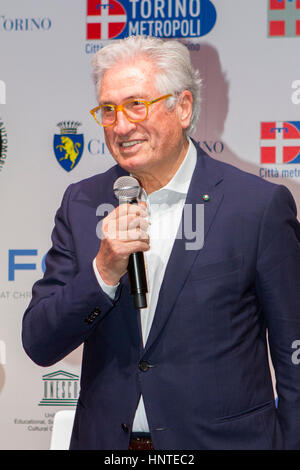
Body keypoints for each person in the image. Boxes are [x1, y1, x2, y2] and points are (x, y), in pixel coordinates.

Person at [22, 35, 300, 450]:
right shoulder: (81, 202)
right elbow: (40, 342)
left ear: (183, 107)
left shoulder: (256, 207)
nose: (120, 125)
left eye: (137, 105)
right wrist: (102, 273)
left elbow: (293, 354)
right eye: (109, 110)